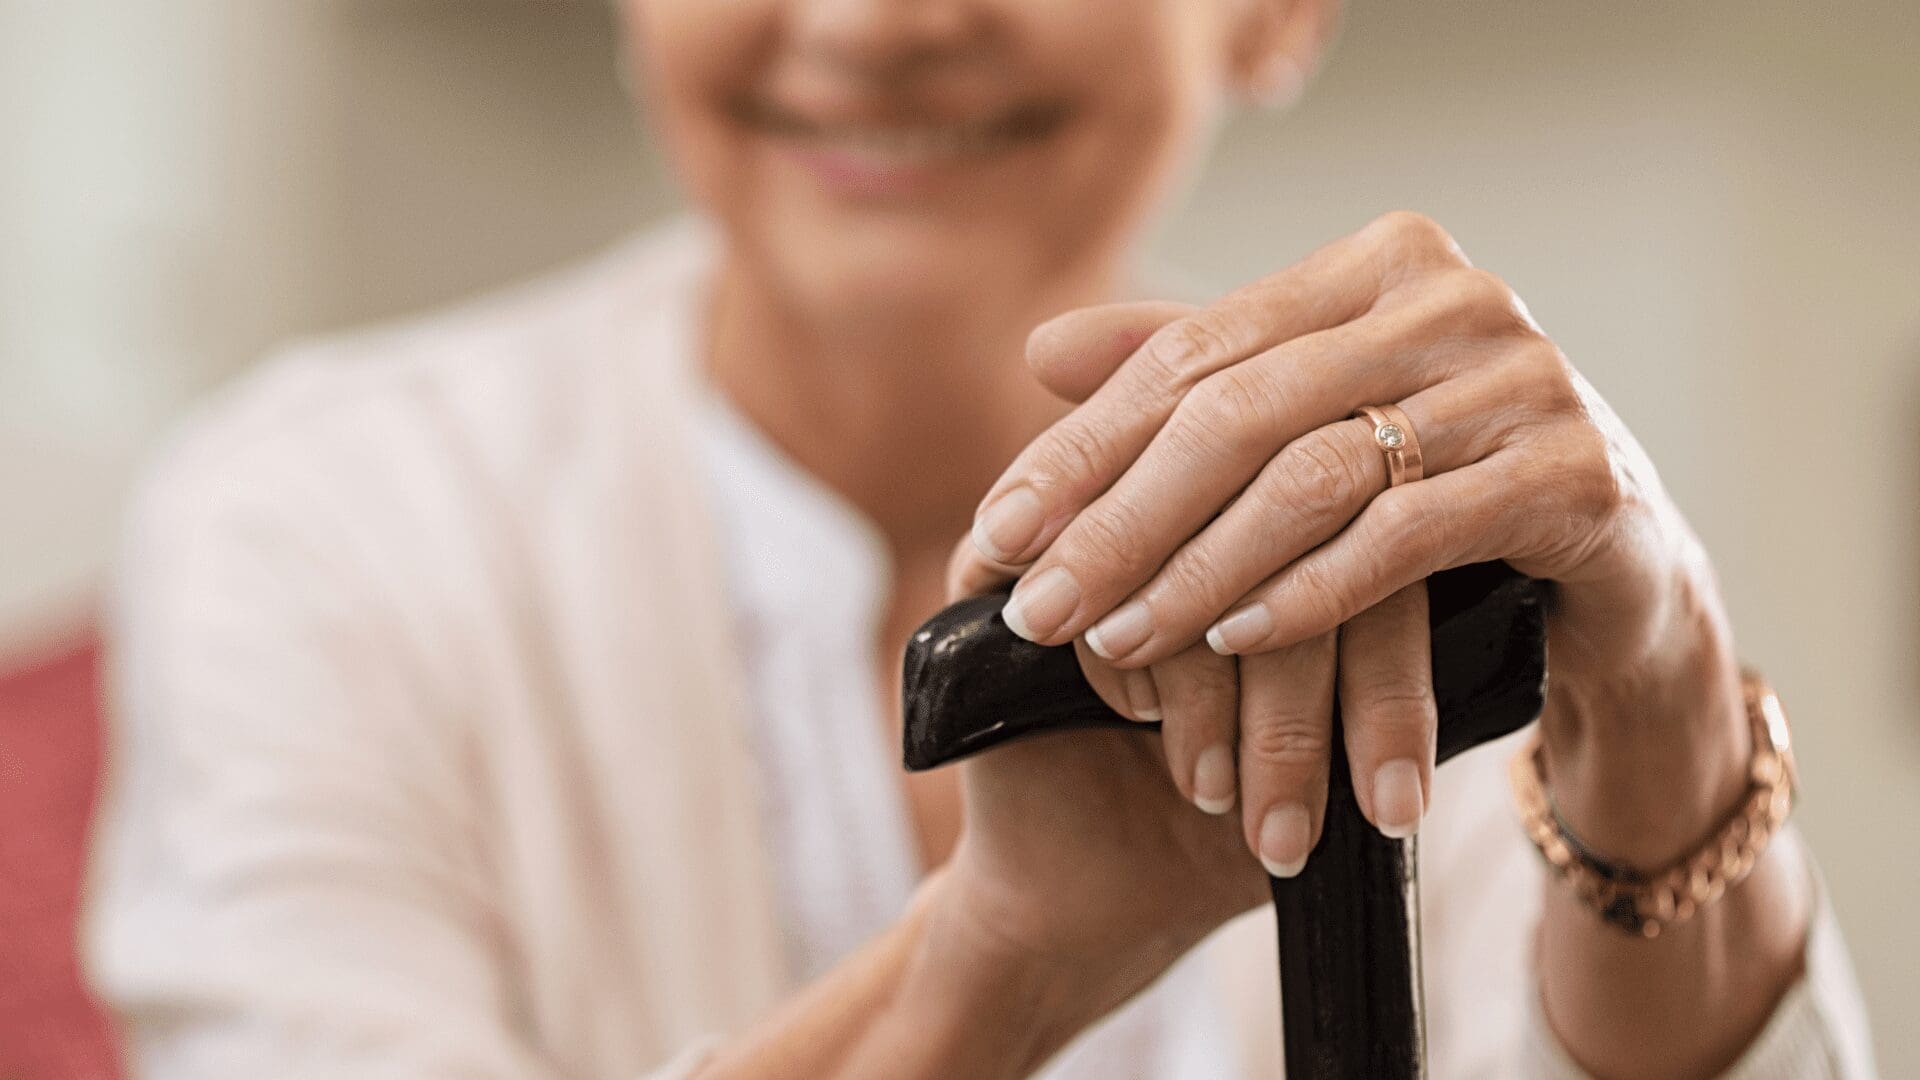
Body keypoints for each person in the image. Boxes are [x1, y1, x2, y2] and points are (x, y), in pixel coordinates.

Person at [86, 1, 1875, 1076]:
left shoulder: (1425, 536)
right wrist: (999, 966)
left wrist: (1662, 702)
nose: (873, 22)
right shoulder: (312, 512)